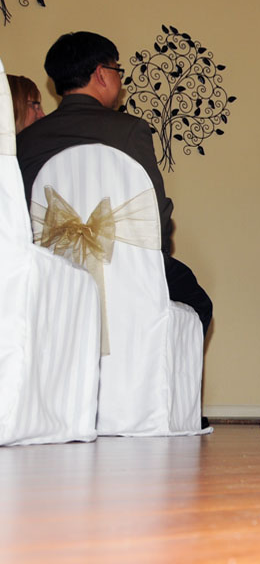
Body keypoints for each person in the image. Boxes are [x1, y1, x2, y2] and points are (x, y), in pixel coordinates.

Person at [17, 32, 213, 339]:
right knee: (198, 301)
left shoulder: (26, 141)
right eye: (117, 70)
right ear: (101, 74)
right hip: (125, 276)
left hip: (52, 279)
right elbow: (154, 213)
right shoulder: (129, 130)